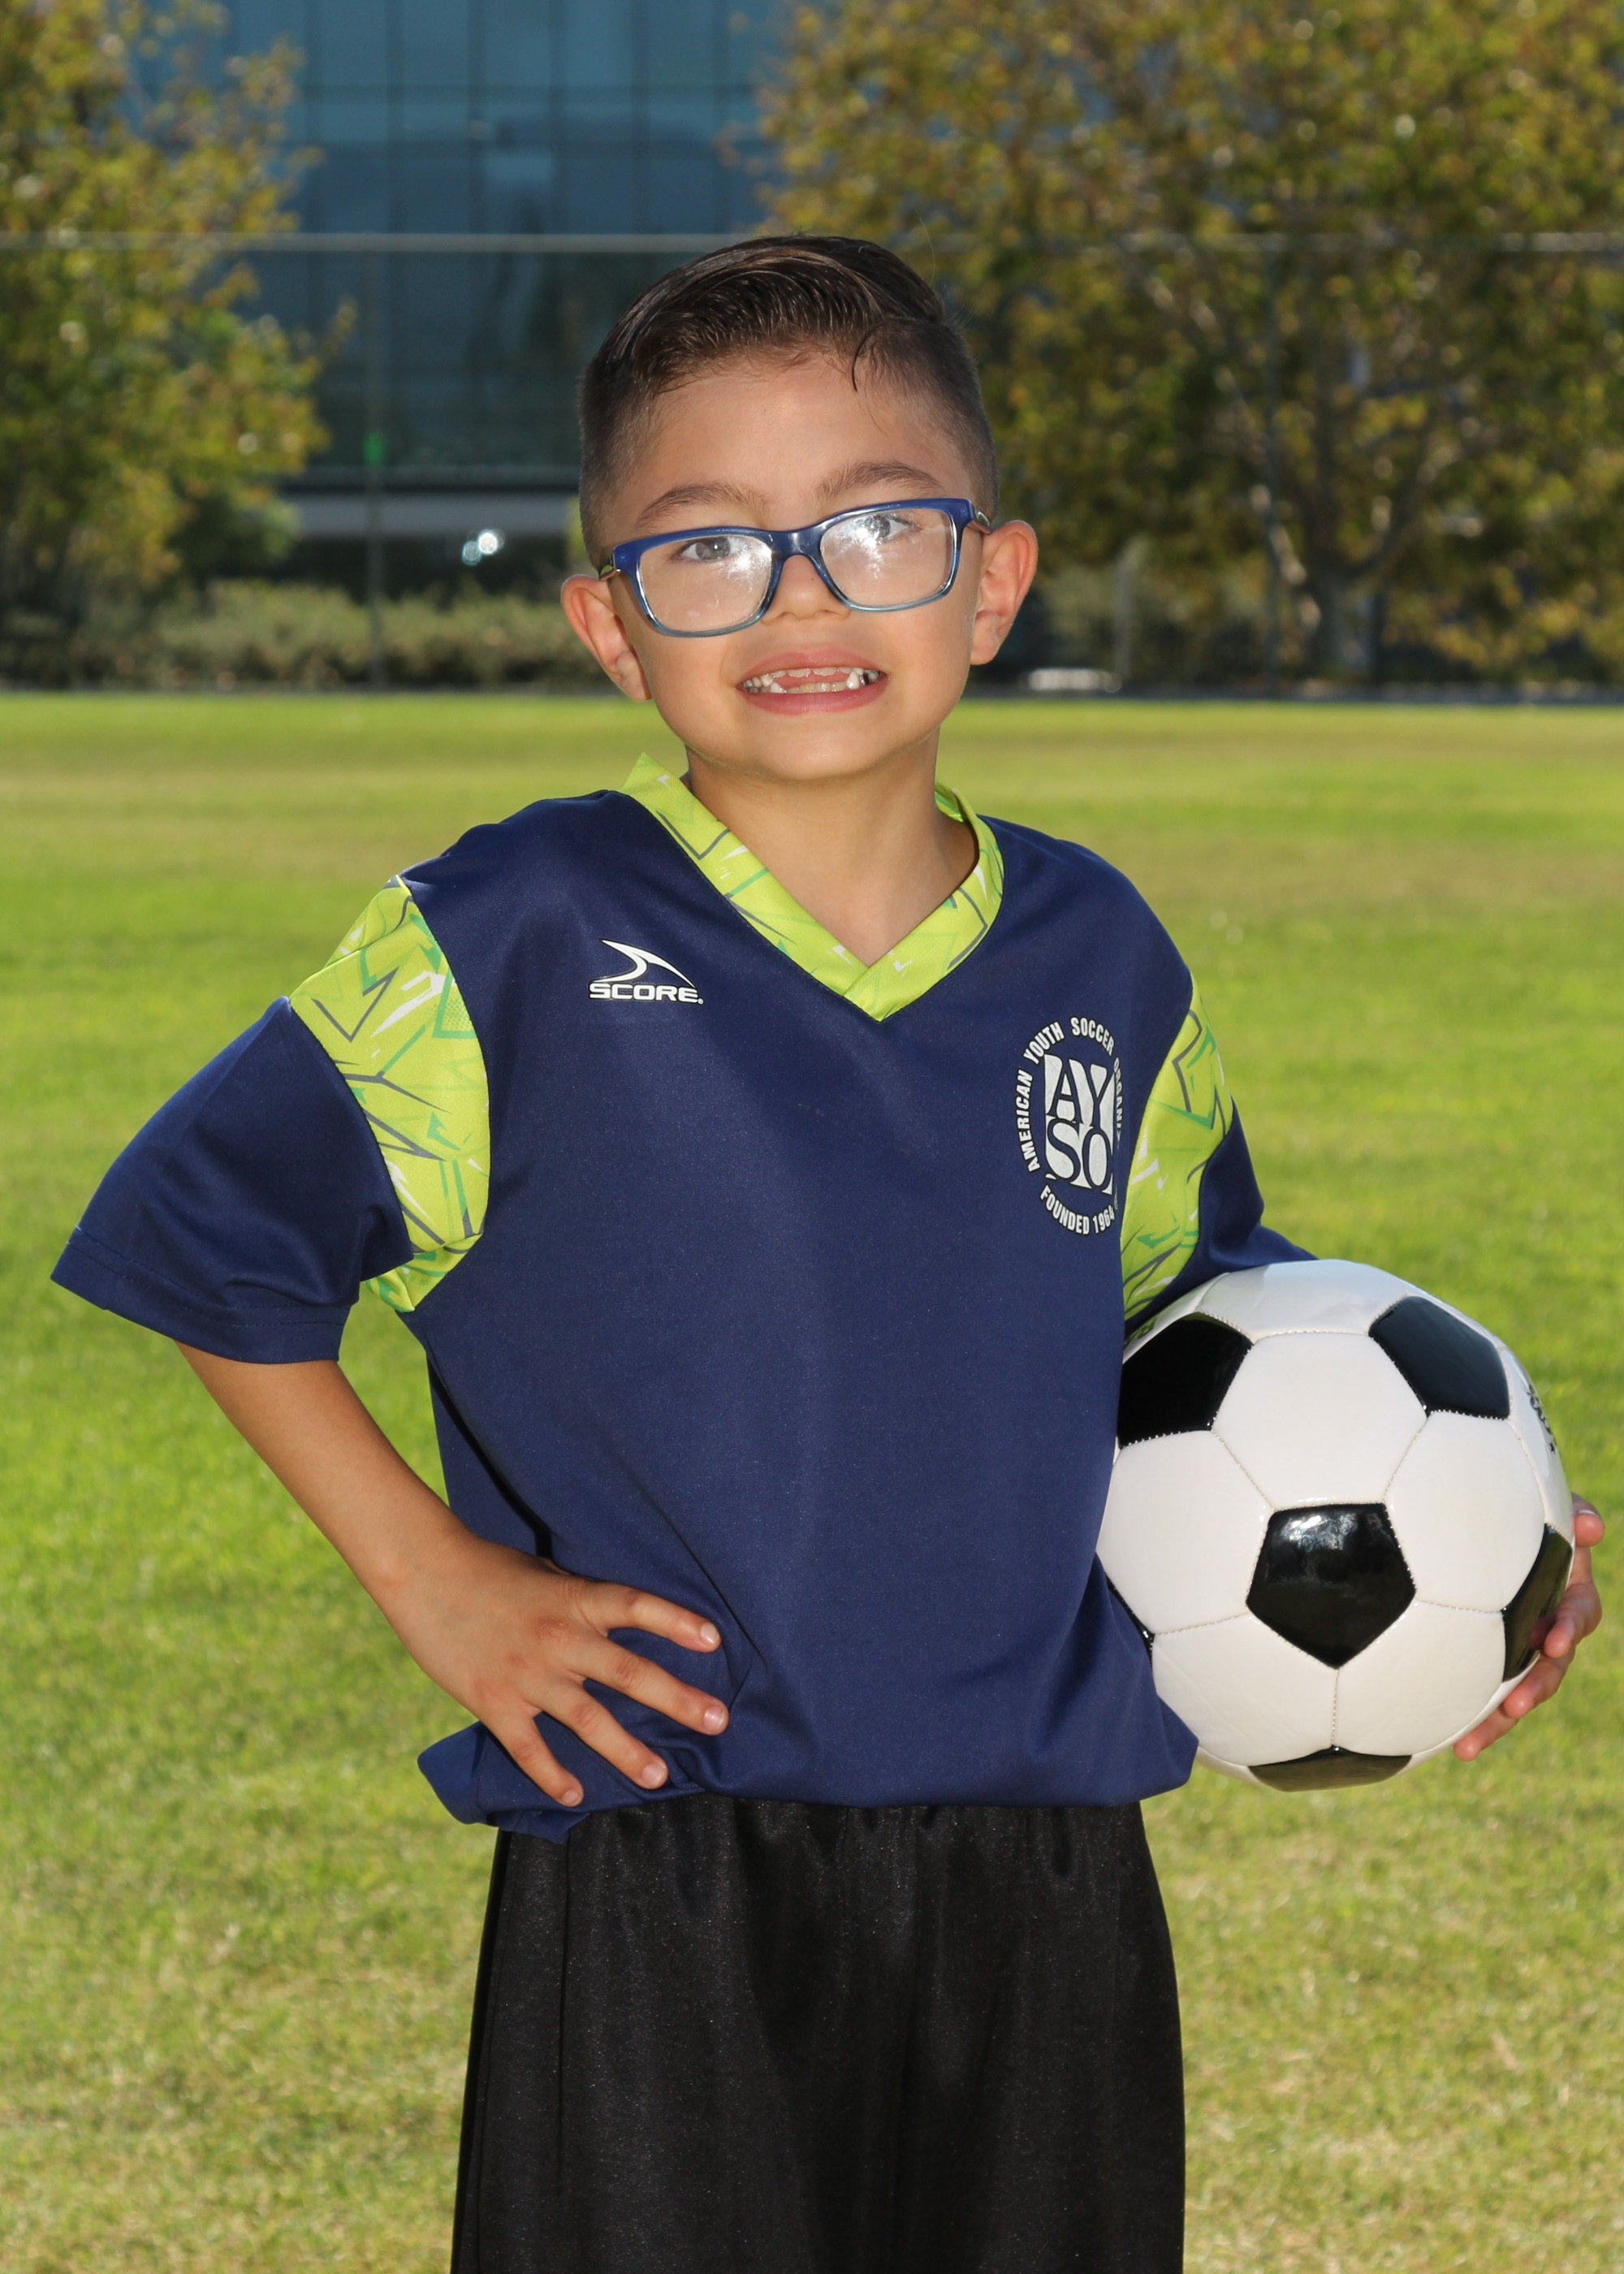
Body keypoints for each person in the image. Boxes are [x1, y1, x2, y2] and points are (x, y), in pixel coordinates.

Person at [52, 237, 1603, 2274]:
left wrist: (1486, 1530)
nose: (799, 597)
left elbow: (1203, 1314)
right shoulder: (510, 934)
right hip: (665, 1869)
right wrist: (437, 1581)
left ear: (991, 582)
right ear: (611, 625)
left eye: (878, 529)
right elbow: (203, 1235)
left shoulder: (1099, 956)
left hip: (1050, 1878)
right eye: (709, 548)